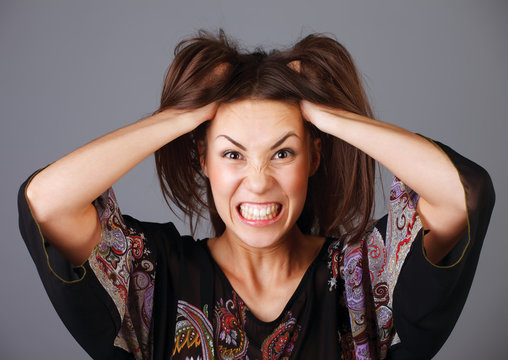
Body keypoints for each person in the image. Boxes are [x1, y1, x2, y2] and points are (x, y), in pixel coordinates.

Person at [18, 30, 495, 360]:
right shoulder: (154, 277)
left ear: (315, 156)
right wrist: (183, 115)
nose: (259, 180)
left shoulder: (359, 279)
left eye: (283, 154)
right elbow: (46, 203)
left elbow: (463, 195)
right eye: (233, 155)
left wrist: (325, 113)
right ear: (201, 159)